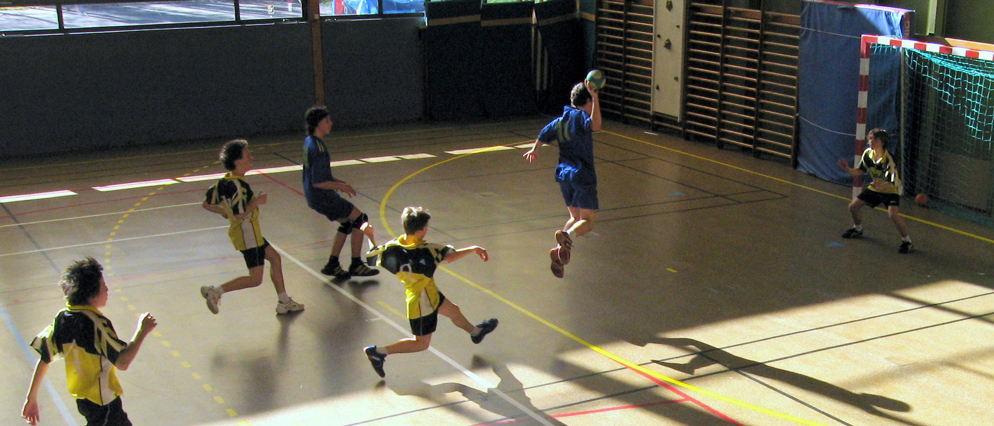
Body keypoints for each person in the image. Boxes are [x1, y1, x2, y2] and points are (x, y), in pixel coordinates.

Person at [362, 207, 498, 378]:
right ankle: (379, 352)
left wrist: (370, 236)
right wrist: (473, 248)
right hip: (421, 301)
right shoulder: (428, 251)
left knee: (454, 311)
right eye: (426, 227)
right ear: (420, 231)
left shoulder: (392, 248)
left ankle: (475, 333)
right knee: (421, 343)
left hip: (428, 292)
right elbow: (451, 256)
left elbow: (372, 257)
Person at [21, 257, 157, 426]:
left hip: (85, 401)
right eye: (103, 286)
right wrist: (142, 331)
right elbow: (123, 361)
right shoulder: (97, 324)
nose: (107, 289)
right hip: (103, 402)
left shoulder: (62, 319)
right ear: (91, 294)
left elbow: (45, 357)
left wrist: (31, 397)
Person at [199, 139, 304, 314]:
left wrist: (224, 212)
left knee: (275, 259)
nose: (252, 158)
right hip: (248, 236)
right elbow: (241, 214)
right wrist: (256, 202)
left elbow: (206, 204)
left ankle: (284, 301)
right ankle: (215, 291)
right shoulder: (240, 188)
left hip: (249, 233)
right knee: (255, 279)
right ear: (238, 161)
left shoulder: (223, 182)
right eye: (248, 155)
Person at [523, 80, 602, 278]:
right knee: (588, 221)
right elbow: (596, 125)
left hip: (564, 175)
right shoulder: (581, 117)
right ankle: (567, 236)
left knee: (574, 218)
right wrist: (596, 97)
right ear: (588, 101)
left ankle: (559, 251)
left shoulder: (562, 120)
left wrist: (535, 149)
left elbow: (544, 134)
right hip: (582, 174)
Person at [302, 106, 380, 280]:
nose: (331, 123)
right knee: (360, 219)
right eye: (327, 121)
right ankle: (356, 264)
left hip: (313, 196)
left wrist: (338, 182)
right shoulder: (319, 149)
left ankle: (333, 264)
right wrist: (341, 187)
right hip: (321, 195)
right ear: (317, 123)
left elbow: (321, 175)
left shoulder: (310, 141)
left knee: (347, 222)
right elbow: (319, 181)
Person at [837, 128, 913, 253]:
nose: (871, 141)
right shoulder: (867, 154)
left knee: (893, 214)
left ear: (882, 142)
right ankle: (857, 228)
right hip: (876, 187)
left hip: (890, 189)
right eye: (870, 138)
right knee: (853, 207)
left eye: (875, 139)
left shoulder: (888, 159)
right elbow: (860, 171)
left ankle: (907, 241)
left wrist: (880, 188)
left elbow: (891, 182)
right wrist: (848, 169)